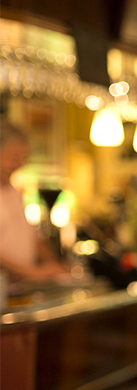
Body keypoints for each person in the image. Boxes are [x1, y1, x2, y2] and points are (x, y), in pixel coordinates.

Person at [0, 121, 68, 286]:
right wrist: (33, 272)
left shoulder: (12, 190)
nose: (20, 165)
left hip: (19, 286)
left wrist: (54, 267)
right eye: (14, 158)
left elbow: (32, 236)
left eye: (23, 158)